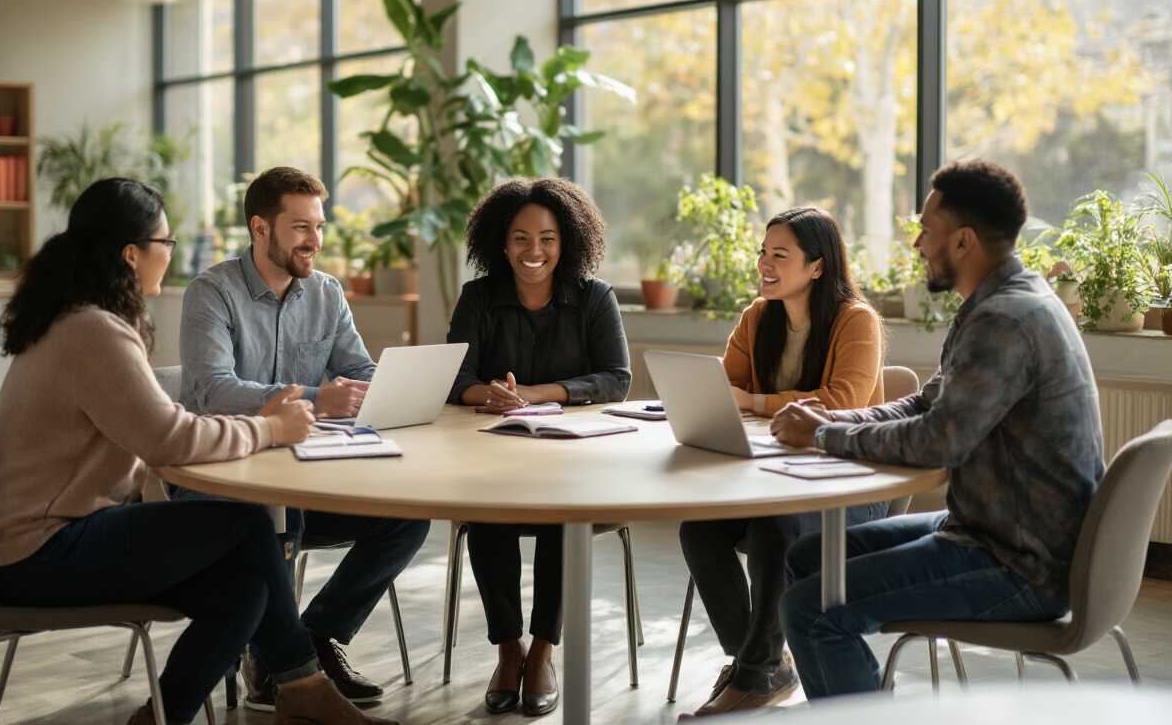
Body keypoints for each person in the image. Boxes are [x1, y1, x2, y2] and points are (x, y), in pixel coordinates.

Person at [0, 177, 397, 725]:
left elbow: (159, 433)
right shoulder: (93, 332)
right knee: (247, 527)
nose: (169, 254)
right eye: (165, 242)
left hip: (54, 537)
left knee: (243, 592)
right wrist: (270, 429)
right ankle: (305, 689)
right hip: (42, 550)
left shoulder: (80, 320)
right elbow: (169, 437)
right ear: (132, 254)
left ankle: (164, 717)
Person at [772, 159, 1105, 699]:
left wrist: (822, 437)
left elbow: (937, 442)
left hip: (1020, 564)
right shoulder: (997, 303)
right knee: (805, 559)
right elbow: (924, 404)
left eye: (927, 231)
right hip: (991, 532)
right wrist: (831, 418)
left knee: (809, 612)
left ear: (963, 241)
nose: (918, 244)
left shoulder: (1005, 320)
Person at [174, 166, 430, 710]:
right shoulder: (211, 293)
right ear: (260, 228)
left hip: (305, 481)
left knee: (405, 517)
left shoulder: (327, 293)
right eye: (300, 227)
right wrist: (317, 398)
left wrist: (406, 381)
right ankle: (287, 673)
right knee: (276, 514)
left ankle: (305, 646)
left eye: (319, 225)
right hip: (220, 489)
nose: (315, 240)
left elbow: (356, 367)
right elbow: (214, 392)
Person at [676, 206, 887, 718]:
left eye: (779, 255)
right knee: (698, 530)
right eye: (762, 253)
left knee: (775, 526)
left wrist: (753, 402)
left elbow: (841, 402)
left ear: (817, 266)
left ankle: (754, 674)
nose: (764, 264)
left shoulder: (857, 320)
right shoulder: (757, 317)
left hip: (849, 487)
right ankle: (761, 665)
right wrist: (738, 401)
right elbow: (724, 389)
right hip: (772, 477)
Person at [446, 177, 631, 716]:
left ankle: (544, 649)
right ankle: (509, 649)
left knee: (561, 516)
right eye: (521, 238)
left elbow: (615, 379)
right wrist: (494, 395)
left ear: (565, 241)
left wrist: (536, 395)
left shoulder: (595, 297)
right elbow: (456, 376)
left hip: (571, 458)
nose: (534, 251)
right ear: (501, 244)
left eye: (547, 238)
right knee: (486, 515)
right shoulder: (477, 297)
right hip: (493, 453)